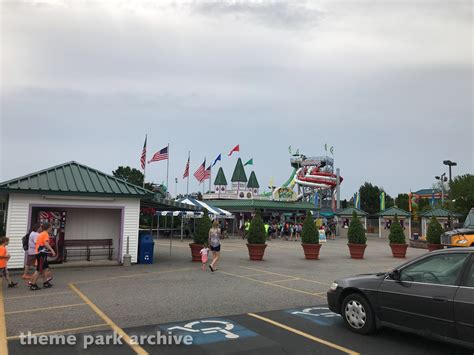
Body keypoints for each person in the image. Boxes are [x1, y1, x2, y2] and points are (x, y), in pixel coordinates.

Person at [30, 222, 56, 291]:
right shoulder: (45, 234)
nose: (51, 229)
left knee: (45, 268)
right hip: (41, 254)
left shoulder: (41, 234)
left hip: (41, 253)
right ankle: (33, 284)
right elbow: (46, 243)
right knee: (39, 269)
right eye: (51, 227)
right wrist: (52, 250)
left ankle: (45, 282)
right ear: (48, 228)